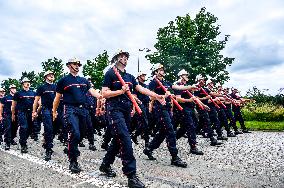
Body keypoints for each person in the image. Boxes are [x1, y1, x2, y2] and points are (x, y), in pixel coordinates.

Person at [100, 50, 165, 188]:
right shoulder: (110, 73)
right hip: (114, 109)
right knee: (125, 139)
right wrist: (120, 91)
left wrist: (156, 96)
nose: (124, 58)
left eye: (126, 57)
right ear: (116, 59)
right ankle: (131, 176)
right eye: (121, 56)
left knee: (118, 140)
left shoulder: (129, 76)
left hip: (126, 110)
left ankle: (105, 165)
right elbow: (104, 93)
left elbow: (140, 89)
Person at [52, 58, 102, 173]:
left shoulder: (84, 80)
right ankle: (73, 161)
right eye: (75, 64)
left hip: (83, 110)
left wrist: (100, 96)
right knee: (75, 132)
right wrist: (54, 111)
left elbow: (92, 91)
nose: (77, 66)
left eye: (79, 64)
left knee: (82, 134)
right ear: (69, 66)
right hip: (70, 109)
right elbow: (57, 98)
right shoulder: (63, 81)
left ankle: (70, 146)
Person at [143, 63, 191, 167]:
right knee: (170, 131)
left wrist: (191, 86)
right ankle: (174, 157)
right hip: (160, 109)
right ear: (156, 72)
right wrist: (164, 96)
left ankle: (149, 148)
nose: (163, 71)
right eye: (160, 69)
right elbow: (150, 97)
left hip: (168, 108)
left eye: (163, 69)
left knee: (163, 132)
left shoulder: (166, 82)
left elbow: (177, 87)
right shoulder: (153, 83)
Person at [173, 69, 205, 155]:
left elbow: (194, 98)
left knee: (187, 126)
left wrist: (203, 105)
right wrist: (188, 100)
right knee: (190, 126)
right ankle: (193, 147)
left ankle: (173, 138)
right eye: (185, 75)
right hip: (184, 108)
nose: (187, 76)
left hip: (190, 108)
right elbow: (178, 99)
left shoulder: (187, 86)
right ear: (181, 76)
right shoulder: (178, 85)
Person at [32, 71, 56, 161]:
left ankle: (46, 140)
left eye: (52, 75)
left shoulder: (56, 86)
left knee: (57, 128)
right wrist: (34, 111)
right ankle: (48, 150)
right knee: (48, 128)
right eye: (50, 75)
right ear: (46, 77)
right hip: (46, 109)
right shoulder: (41, 87)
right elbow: (36, 100)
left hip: (56, 109)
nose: (52, 76)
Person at [11, 78, 36, 153]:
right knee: (24, 127)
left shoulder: (33, 93)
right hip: (22, 112)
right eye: (26, 82)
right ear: (22, 84)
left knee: (30, 128)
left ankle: (24, 138)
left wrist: (35, 112)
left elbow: (36, 103)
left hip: (30, 112)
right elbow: (13, 104)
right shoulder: (18, 94)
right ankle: (23, 144)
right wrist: (13, 114)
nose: (28, 83)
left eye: (28, 82)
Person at [0, 85, 17, 150]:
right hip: (7, 115)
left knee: (14, 128)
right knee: (8, 128)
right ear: (10, 89)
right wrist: (1, 115)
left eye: (15, 88)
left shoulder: (17, 97)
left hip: (16, 115)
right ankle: (7, 142)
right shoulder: (6, 98)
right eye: (12, 88)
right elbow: (1, 107)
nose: (14, 89)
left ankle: (11, 139)